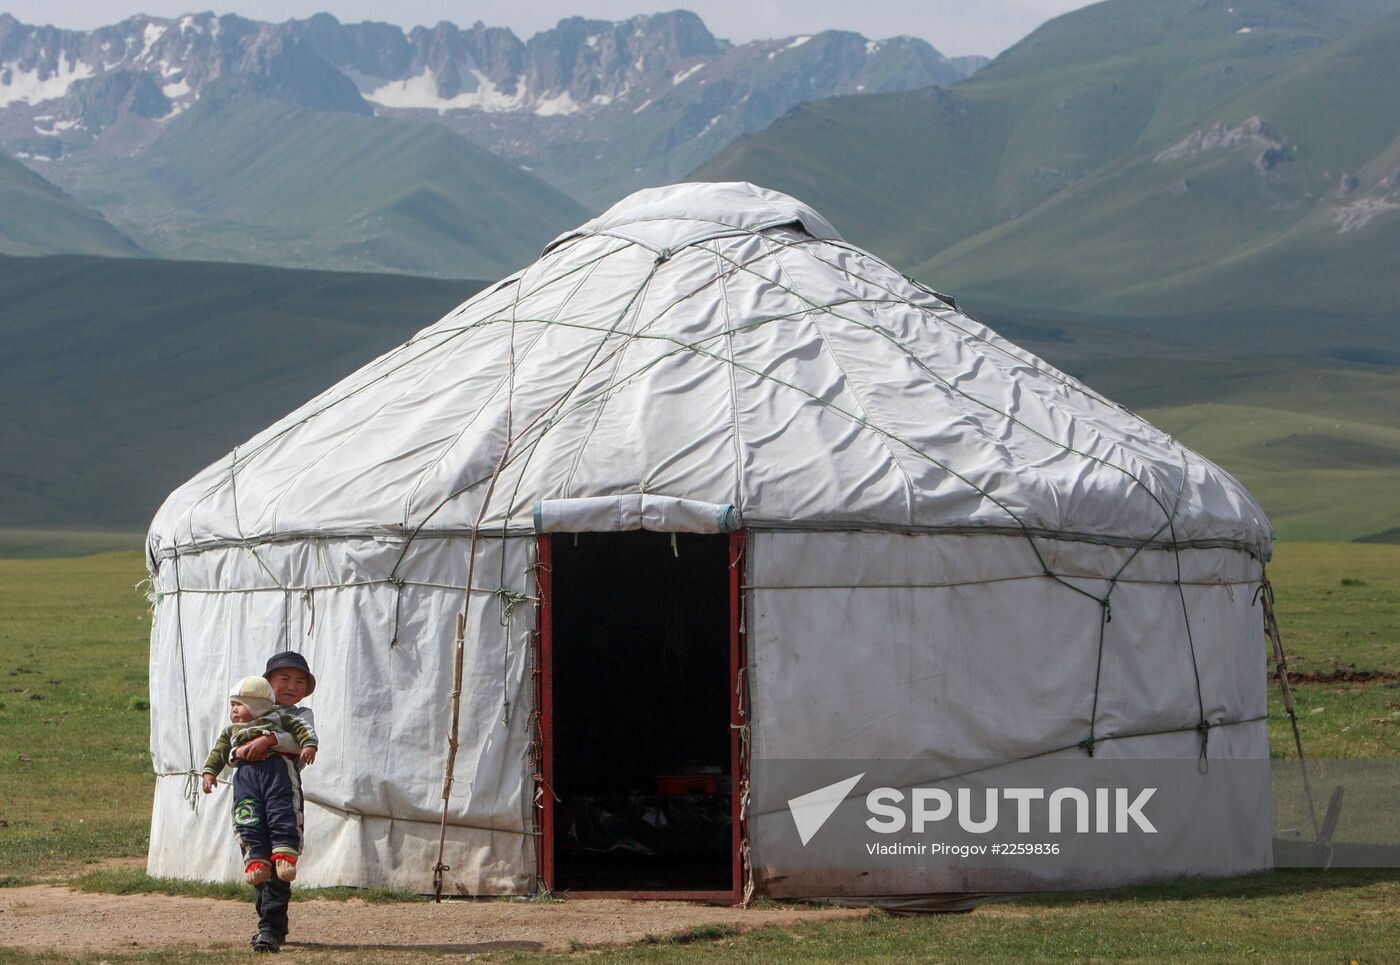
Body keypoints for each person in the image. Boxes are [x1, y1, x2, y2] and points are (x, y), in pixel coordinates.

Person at [201, 675, 317, 953]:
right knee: (257, 846)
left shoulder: (298, 715)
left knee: (280, 840)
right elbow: (224, 750)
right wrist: (212, 770)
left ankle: (270, 928)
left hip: (279, 784)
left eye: (300, 682)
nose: (291, 686)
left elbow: (300, 738)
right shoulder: (237, 726)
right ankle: (272, 922)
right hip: (248, 786)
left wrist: (268, 741)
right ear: (268, 688)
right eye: (283, 679)